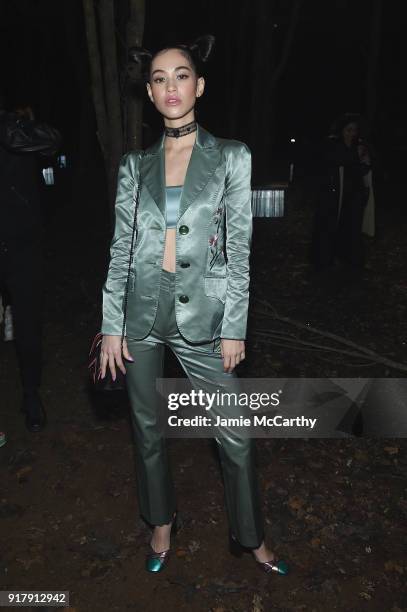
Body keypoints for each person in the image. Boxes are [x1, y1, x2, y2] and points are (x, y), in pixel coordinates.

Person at [99, 35, 289, 575]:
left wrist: (235, 325)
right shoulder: (135, 166)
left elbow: (239, 248)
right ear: (151, 94)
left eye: (180, 75)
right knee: (147, 428)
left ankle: (251, 536)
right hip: (141, 316)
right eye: (159, 78)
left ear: (198, 86)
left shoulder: (230, 155)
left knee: (235, 436)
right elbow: (119, 249)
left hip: (205, 320)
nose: (170, 86)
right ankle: (160, 520)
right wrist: (112, 324)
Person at [0, 94, 61, 432]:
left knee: (27, 328)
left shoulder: (14, 128)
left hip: (23, 247)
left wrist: (14, 127)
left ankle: (31, 395)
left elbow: (52, 142)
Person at [311, 113, 372, 273]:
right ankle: (325, 261)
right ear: (342, 130)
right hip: (333, 195)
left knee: (352, 228)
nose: (352, 133)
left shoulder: (357, 146)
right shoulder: (332, 144)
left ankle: (350, 260)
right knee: (329, 227)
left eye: (354, 130)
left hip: (353, 196)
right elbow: (334, 161)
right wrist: (355, 156)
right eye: (349, 130)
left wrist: (364, 161)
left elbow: (362, 169)